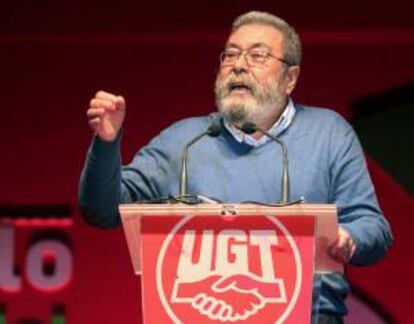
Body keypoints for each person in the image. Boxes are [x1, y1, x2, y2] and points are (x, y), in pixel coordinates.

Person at [79, 11, 393, 323]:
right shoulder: (185, 141)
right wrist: (107, 144)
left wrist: (349, 237)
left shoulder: (329, 133)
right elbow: (101, 210)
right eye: (230, 55)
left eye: (258, 55)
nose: (239, 65)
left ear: (290, 78)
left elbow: (373, 227)